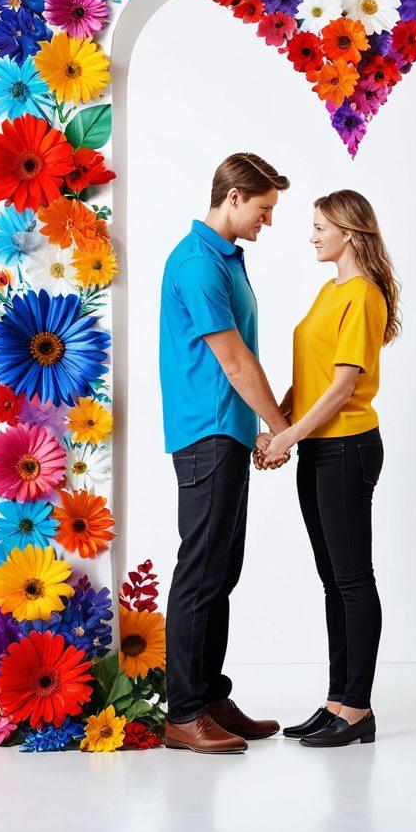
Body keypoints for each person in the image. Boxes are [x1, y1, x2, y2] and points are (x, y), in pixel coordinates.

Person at [160, 152, 293, 755]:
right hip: (207, 432)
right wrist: (282, 426)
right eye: (264, 210)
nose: (268, 222)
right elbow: (235, 361)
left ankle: (210, 696)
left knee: (221, 571)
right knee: (201, 572)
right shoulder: (197, 264)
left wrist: (265, 428)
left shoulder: (227, 260)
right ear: (233, 197)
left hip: (228, 433)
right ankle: (183, 712)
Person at [258, 190, 400, 747]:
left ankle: (358, 709)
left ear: (349, 231)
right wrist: (281, 425)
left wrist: (289, 435)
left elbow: (343, 388)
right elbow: (313, 379)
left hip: (347, 449)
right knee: (332, 581)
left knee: (352, 579)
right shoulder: (329, 291)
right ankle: (337, 700)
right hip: (319, 446)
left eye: (320, 226)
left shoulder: (362, 296)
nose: (311, 235)